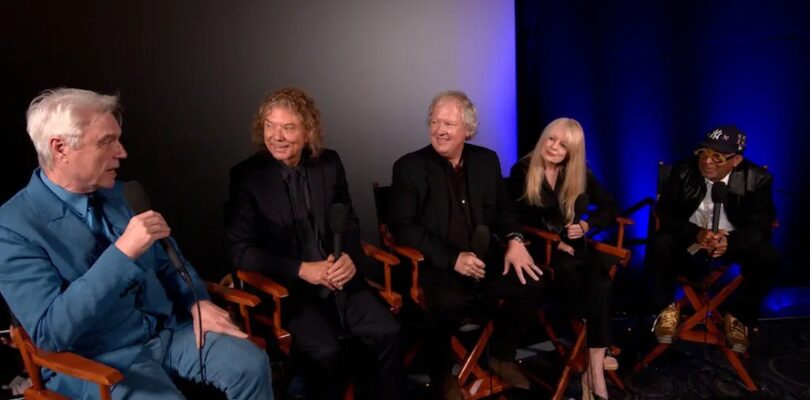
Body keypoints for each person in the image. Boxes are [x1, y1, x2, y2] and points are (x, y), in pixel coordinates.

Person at [0, 88, 273, 400]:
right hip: (99, 360)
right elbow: (51, 333)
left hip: (166, 335)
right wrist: (122, 253)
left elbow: (171, 262)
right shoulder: (12, 226)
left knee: (249, 363)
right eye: (106, 142)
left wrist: (197, 301)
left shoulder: (121, 194)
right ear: (60, 148)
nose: (122, 152)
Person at [224, 87, 402, 400]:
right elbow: (240, 252)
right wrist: (302, 269)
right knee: (326, 352)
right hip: (290, 292)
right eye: (270, 126)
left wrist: (349, 258)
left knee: (389, 332)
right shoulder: (246, 176)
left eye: (288, 128)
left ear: (308, 132)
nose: (276, 136)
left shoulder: (329, 163)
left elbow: (348, 223)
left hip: (341, 279)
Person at [390, 90, 545, 400]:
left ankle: (501, 355)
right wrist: (453, 259)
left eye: (448, 123)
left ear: (468, 130)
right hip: (438, 265)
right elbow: (403, 227)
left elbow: (504, 210)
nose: (439, 130)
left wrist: (515, 240)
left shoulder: (487, 160)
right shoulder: (408, 167)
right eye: (434, 121)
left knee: (533, 283)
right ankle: (441, 374)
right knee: (443, 303)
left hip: (486, 258)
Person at [508, 117, 619, 400]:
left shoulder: (580, 172)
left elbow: (609, 206)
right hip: (540, 251)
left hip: (575, 246)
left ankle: (593, 374)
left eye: (563, 145)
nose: (554, 147)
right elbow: (513, 219)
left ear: (572, 151)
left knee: (602, 282)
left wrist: (584, 225)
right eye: (551, 139)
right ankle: (598, 355)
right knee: (581, 280)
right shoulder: (522, 169)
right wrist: (556, 241)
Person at [649, 125, 778, 354]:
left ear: (736, 160)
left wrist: (731, 241)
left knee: (767, 256)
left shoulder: (757, 179)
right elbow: (666, 213)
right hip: (690, 240)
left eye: (717, 157)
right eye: (703, 153)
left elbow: (762, 225)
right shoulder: (683, 171)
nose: (707, 161)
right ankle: (665, 310)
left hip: (730, 242)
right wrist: (695, 233)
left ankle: (739, 317)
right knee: (661, 242)